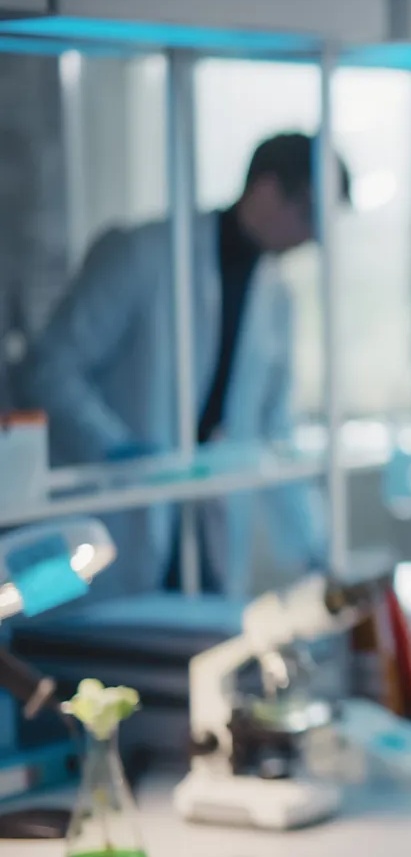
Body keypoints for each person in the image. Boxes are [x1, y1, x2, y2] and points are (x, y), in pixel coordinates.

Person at [19, 132, 341, 601]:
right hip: (119, 518)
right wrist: (112, 446)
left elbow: (275, 433)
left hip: (207, 532)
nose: (313, 237)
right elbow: (48, 369)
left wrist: (317, 549)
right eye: (310, 214)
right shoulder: (141, 253)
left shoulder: (277, 296)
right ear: (267, 190)